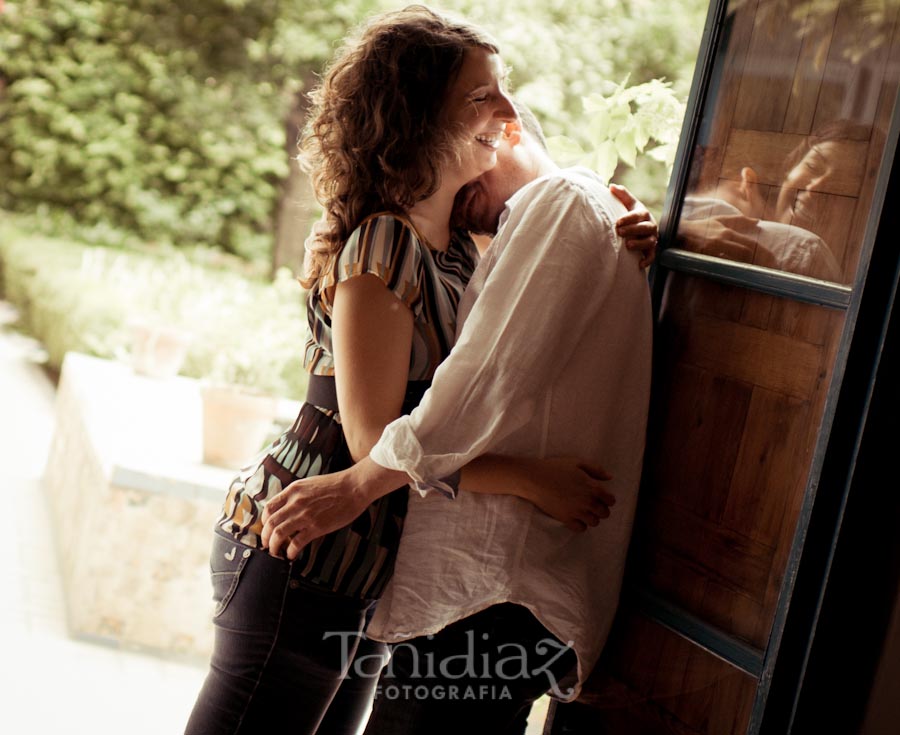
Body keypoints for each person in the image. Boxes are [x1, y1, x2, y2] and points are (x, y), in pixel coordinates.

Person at [186, 7, 656, 734]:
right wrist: (529, 478)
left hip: (363, 562)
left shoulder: (459, 249)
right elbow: (374, 439)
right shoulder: (386, 242)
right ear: (417, 115)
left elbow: (546, 231)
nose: (509, 112)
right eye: (483, 96)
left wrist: (625, 214)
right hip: (303, 543)